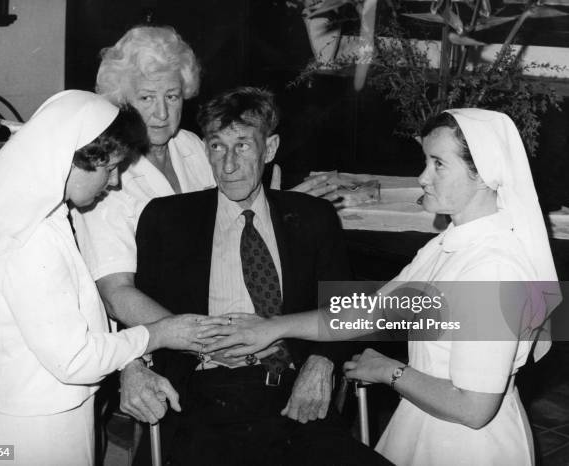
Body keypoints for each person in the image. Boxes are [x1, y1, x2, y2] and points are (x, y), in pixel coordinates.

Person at [202, 109, 560, 466]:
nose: (422, 177)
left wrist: (388, 370)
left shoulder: (493, 268)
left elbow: (473, 408)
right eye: (426, 162)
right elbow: (371, 312)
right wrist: (273, 327)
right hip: (427, 421)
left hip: (467, 446)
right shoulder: (450, 242)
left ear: (483, 174)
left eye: (438, 164)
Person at [70, 25, 341, 420]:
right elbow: (115, 295)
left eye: (172, 96)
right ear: (122, 102)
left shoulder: (193, 147)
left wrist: (290, 210)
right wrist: (209, 340)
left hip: (242, 335)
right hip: (153, 342)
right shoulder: (109, 176)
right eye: (146, 98)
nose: (162, 113)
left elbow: (240, 215)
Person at [0, 90, 225, 466]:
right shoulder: (28, 240)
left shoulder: (48, 218)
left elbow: (81, 316)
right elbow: (76, 358)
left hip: (55, 417)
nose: (114, 181)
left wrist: (130, 360)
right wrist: (160, 332)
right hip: (32, 434)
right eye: (109, 167)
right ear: (73, 159)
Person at [129, 87, 390, 465]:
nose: (228, 165)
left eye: (243, 147)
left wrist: (321, 363)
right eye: (217, 147)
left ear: (270, 149)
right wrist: (132, 365)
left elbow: (346, 310)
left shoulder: (312, 217)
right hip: (202, 397)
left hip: (291, 393)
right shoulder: (167, 219)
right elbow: (138, 319)